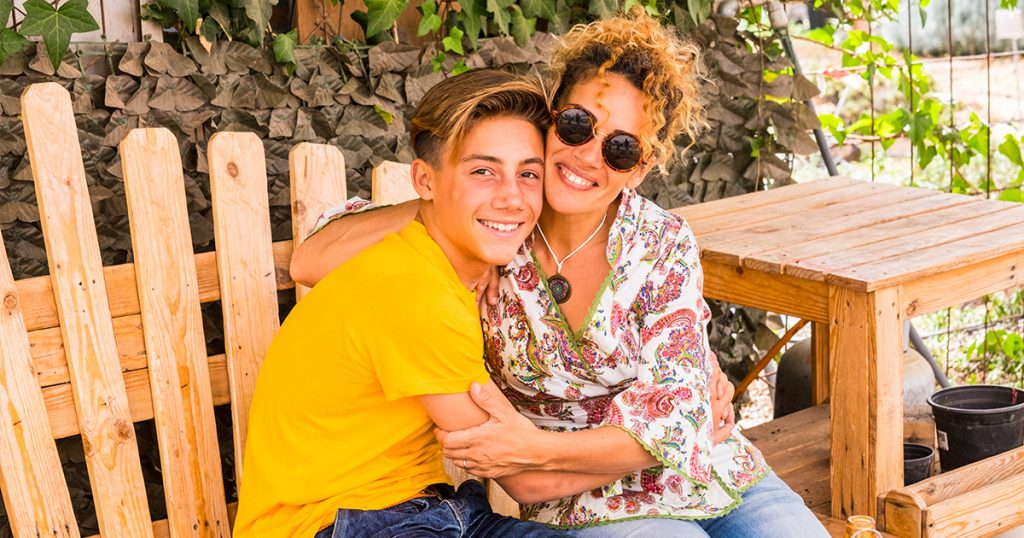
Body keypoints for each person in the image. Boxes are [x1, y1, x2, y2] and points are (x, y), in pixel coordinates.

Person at [290, 10, 828, 537]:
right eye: (577, 125)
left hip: (713, 472)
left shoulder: (660, 243)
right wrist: (440, 201)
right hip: (578, 503)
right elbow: (309, 262)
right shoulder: (493, 232)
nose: (590, 156)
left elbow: (682, 419)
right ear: (549, 119)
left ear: (639, 168)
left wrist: (536, 447)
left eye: (620, 148)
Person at [235, 69, 598, 538]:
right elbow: (527, 480)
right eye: (483, 171)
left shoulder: (442, 264)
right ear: (424, 181)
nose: (511, 197)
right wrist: (663, 439)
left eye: (528, 173)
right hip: (332, 525)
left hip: (430, 511)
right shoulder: (413, 291)